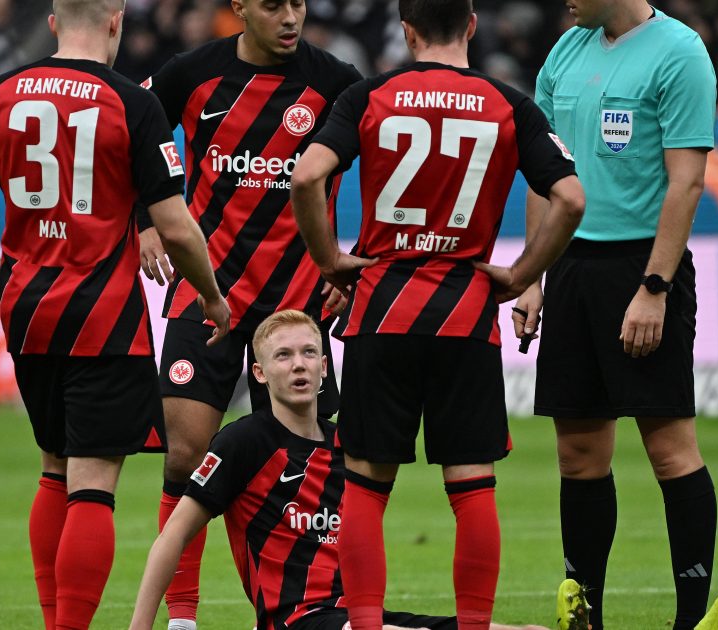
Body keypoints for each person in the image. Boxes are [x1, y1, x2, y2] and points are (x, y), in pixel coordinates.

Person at [291, 1, 586, 627]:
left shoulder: (369, 95)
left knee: (367, 488)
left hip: (383, 309)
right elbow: (569, 197)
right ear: (472, 25)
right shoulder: (508, 103)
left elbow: (306, 177)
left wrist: (329, 261)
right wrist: (523, 274)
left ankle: (365, 625)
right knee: (472, 487)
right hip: (465, 313)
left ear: (407, 30)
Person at [0, 1, 230, 627]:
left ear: (53, 23)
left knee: (53, 466)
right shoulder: (131, 102)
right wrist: (210, 296)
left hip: (27, 311)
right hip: (102, 315)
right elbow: (177, 229)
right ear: (116, 21)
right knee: (92, 485)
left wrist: (7, 282)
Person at [133, 2, 363, 627]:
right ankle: (182, 618)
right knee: (186, 455)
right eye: (272, 4)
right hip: (208, 291)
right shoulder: (192, 72)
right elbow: (129, 125)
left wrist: (352, 262)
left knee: (300, 471)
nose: (290, 16)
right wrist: (142, 222)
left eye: (298, 3)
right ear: (239, 8)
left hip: (297, 307)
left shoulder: (338, 81)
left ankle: (285, 610)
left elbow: (393, 164)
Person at [130, 310, 550, 630]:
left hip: (358, 614)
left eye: (309, 352)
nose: (299, 364)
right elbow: (174, 536)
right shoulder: (243, 442)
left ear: (325, 367)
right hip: (298, 621)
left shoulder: (350, 445)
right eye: (283, 356)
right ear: (259, 373)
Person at [514, 0, 718, 627]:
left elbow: (685, 182)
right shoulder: (566, 49)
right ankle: (587, 614)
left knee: (668, 447)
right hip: (570, 266)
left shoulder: (680, 52)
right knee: (577, 452)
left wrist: (654, 286)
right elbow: (543, 177)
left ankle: (690, 616)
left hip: (642, 267)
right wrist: (532, 277)